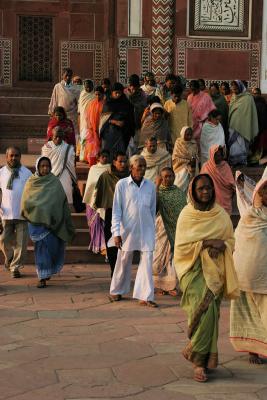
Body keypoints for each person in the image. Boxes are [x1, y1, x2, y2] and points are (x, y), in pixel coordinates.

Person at [174, 174, 239, 382]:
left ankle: (202, 358)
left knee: (211, 312)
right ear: (193, 191)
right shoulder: (186, 215)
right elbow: (182, 247)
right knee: (203, 309)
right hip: (192, 271)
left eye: (209, 188)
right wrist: (208, 242)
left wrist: (223, 245)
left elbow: (230, 240)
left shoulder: (220, 214)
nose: (205, 192)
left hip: (215, 270)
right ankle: (198, 361)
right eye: (201, 189)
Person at [109, 155, 157, 307]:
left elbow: (152, 209)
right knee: (123, 260)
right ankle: (117, 290)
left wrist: (152, 229)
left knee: (147, 260)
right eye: (139, 166)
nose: (142, 169)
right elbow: (116, 211)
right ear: (131, 168)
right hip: (127, 230)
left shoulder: (150, 186)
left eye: (144, 166)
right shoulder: (122, 185)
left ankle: (145, 295)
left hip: (147, 230)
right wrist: (116, 233)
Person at [21, 157, 75, 288]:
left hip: (53, 224)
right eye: (42, 166)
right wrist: (40, 212)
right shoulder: (31, 182)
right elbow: (26, 202)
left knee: (53, 248)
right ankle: (42, 276)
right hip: (37, 223)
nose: (45, 168)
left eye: (47, 166)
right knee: (41, 249)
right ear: (37, 167)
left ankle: (48, 270)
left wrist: (53, 215)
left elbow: (61, 202)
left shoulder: (55, 181)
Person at [230, 177, 267, 364]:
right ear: (259, 194)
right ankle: (253, 350)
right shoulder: (249, 216)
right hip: (246, 275)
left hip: (264, 277)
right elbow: (240, 241)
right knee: (248, 314)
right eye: (265, 191)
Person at [94, 152, 129, 276]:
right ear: (114, 162)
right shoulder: (106, 176)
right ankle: (114, 272)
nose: (123, 164)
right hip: (111, 213)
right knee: (112, 244)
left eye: (125, 161)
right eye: (120, 161)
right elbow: (99, 195)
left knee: (126, 246)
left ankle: (122, 274)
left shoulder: (130, 176)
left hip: (127, 214)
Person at [153, 168, 187, 296]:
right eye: (165, 177)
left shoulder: (178, 192)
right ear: (161, 178)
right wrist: (156, 187)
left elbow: (183, 210)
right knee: (159, 256)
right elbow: (153, 207)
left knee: (172, 257)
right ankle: (160, 285)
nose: (168, 179)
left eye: (170, 176)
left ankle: (171, 285)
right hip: (161, 228)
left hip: (176, 229)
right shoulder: (157, 192)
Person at [0, 147, 32, 278]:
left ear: (20, 157)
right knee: (2, 240)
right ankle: (11, 257)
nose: (14, 158)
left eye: (16, 156)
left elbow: (32, 192)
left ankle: (15, 267)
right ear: (6, 157)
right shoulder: (1, 172)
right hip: (5, 213)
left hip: (22, 214)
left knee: (22, 243)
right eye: (11, 155)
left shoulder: (27, 173)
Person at [83, 150, 111, 255]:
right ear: (98, 157)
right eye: (103, 156)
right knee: (95, 223)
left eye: (107, 156)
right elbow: (90, 185)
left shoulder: (110, 169)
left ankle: (103, 246)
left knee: (103, 223)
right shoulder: (93, 169)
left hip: (105, 200)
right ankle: (98, 244)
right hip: (92, 200)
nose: (105, 158)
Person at [99, 82, 135, 160]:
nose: (118, 95)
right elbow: (103, 120)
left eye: (120, 93)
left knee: (120, 156)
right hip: (109, 135)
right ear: (112, 92)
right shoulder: (108, 104)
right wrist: (114, 122)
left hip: (123, 134)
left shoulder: (126, 103)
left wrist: (124, 123)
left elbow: (131, 118)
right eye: (116, 93)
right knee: (108, 156)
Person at [42, 127, 76, 205]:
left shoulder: (68, 148)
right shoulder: (46, 147)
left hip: (64, 173)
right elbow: (43, 162)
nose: (58, 139)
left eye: (60, 137)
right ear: (52, 137)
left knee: (66, 191)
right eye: (56, 137)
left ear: (63, 137)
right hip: (49, 174)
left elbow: (71, 164)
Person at [228, 80, 258, 165]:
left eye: (236, 87)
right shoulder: (233, 97)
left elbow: (251, 114)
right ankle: (234, 161)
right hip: (233, 125)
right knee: (234, 145)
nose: (234, 89)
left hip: (244, 127)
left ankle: (242, 161)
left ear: (240, 87)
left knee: (242, 145)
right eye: (233, 87)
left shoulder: (248, 98)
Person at [201, 145, 235, 215]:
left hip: (225, 200)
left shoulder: (225, 166)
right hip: (211, 199)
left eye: (220, 155)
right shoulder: (206, 167)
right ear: (211, 155)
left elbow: (231, 182)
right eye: (216, 155)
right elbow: (202, 182)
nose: (219, 157)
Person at [48, 68, 80, 141]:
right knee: (59, 134)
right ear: (62, 76)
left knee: (71, 134)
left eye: (70, 76)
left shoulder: (76, 88)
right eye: (66, 76)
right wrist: (51, 113)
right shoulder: (58, 86)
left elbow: (78, 102)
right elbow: (54, 100)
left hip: (72, 116)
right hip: (60, 115)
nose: (68, 77)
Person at [172, 127, 199, 193]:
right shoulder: (178, 142)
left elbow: (197, 156)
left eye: (190, 134)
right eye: (187, 135)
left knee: (191, 189)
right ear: (183, 134)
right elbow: (175, 158)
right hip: (180, 168)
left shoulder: (194, 143)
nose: (189, 136)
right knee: (179, 186)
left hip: (192, 169)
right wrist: (187, 162)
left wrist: (194, 160)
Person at [127, 74, 147, 154]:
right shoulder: (126, 94)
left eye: (135, 86)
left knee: (138, 145)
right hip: (128, 124)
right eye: (132, 86)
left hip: (139, 123)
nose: (133, 88)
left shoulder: (142, 94)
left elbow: (143, 106)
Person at [84, 86, 105, 166]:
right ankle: (92, 166)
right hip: (92, 131)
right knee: (92, 149)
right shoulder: (91, 104)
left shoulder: (105, 104)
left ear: (103, 95)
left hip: (102, 130)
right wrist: (90, 127)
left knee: (101, 148)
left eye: (99, 94)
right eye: (96, 94)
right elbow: (87, 117)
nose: (97, 96)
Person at [78, 79, 95, 161]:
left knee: (91, 139)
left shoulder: (95, 95)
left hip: (93, 120)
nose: (88, 89)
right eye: (86, 87)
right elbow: (79, 110)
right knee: (84, 138)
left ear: (93, 86)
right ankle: (83, 156)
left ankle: (90, 156)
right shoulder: (82, 94)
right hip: (84, 121)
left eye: (89, 87)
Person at [250, 87, 267, 161]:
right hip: (254, 127)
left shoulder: (262, 104)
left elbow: (263, 118)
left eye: (256, 93)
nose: (254, 95)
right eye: (253, 94)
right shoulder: (251, 104)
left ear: (260, 94)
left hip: (261, 128)